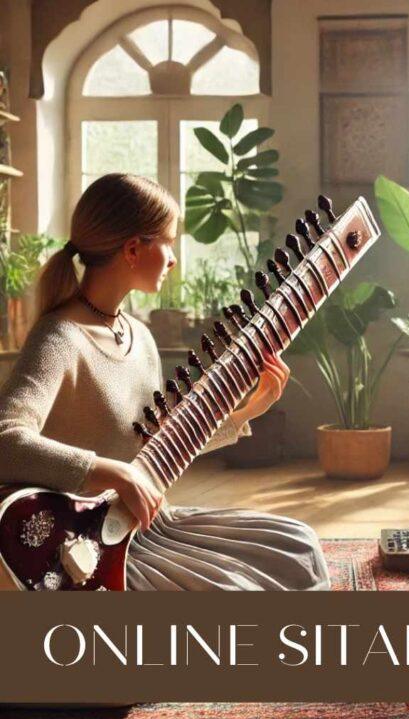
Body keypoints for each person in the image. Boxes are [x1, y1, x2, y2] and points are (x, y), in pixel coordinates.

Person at [0, 173, 330, 591]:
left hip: (151, 525)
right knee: (238, 592)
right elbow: (6, 441)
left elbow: (155, 447)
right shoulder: (60, 338)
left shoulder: (140, 337)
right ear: (133, 250)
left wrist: (249, 409)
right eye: (168, 242)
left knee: (298, 545)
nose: (173, 259)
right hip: (91, 546)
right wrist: (115, 474)